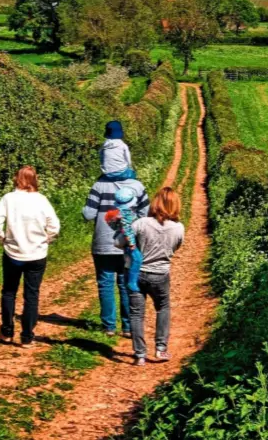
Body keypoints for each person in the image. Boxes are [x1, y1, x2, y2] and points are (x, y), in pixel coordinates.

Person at [83, 135, 149, 337]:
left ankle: (109, 326)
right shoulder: (137, 186)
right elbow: (145, 214)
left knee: (105, 283)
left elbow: (88, 214)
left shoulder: (98, 186)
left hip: (103, 242)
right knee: (125, 282)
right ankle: (128, 326)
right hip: (128, 242)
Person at [0, 166, 60, 346]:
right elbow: (54, 226)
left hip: (13, 252)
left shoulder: (8, 199)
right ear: (35, 179)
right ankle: (27, 336)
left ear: (17, 179)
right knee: (32, 294)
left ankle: (6, 331)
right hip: (37, 254)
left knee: (9, 291)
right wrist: (46, 240)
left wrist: (3, 239)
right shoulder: (42, 200)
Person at [126, 187, 184, 366]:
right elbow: (175, 247)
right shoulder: (178, 228)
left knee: (137, 314)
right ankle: (160, 348)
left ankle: (140, 355)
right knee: (163, 307)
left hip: (137, 273)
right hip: (160, 273)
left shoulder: (140, 223)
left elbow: (120, 242)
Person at [104, 186, 144, 292]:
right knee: (137, 259)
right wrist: (131, 243)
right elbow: (127, 230)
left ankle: (132, 280)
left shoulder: (121, 213)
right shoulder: (126, 214)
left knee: (130, 260)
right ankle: (132, 281)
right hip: (130, 242)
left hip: (126, 241)